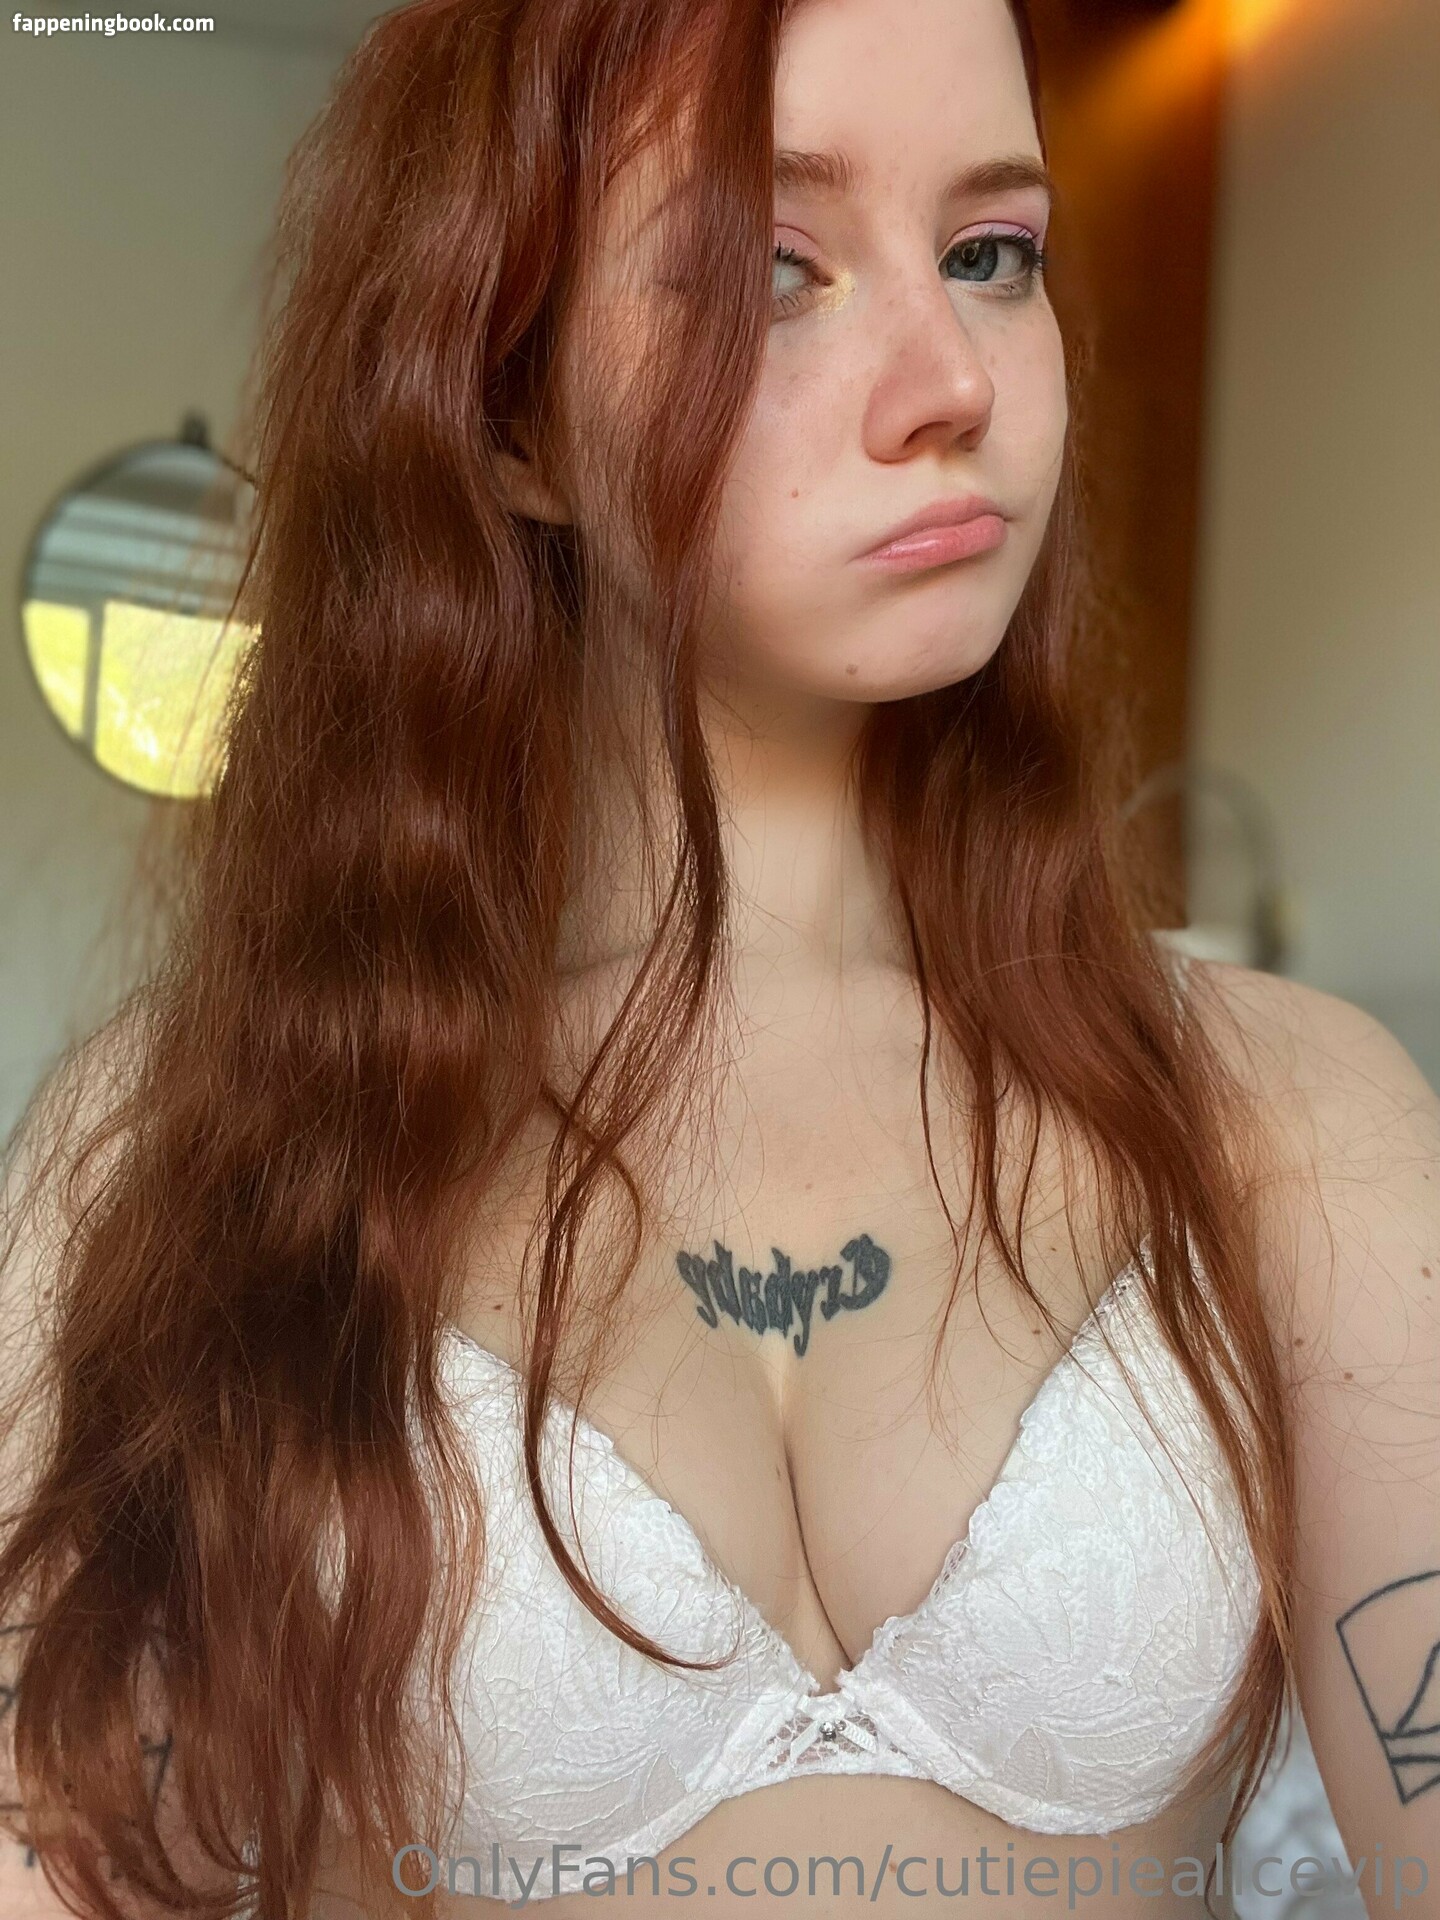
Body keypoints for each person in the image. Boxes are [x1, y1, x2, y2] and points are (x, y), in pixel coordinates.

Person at [2, 0, 1437, 1915]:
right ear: (504, 414)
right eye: (772, 269)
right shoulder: (178, 1143)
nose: (952, 382)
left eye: (990, 253)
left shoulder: (1288, 1118)